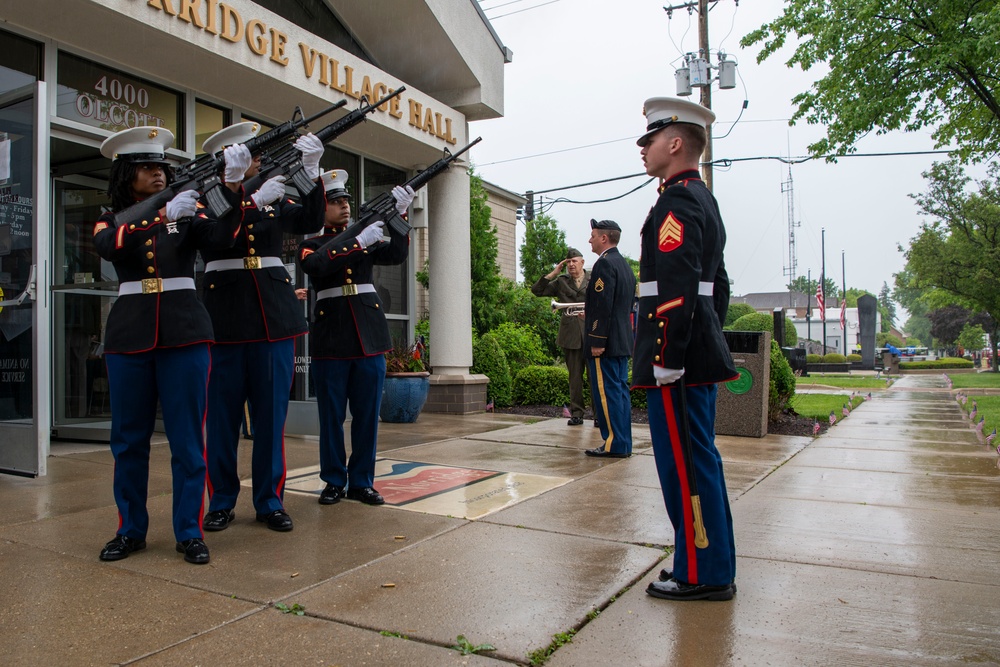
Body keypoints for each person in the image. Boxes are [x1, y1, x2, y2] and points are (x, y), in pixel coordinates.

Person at [94, 126, 248, 565]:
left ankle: (189, 530)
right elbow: (109, 245)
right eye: (146, 168)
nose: (158, 175)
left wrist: (233, 188)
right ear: (127, 175)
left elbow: (223, 239)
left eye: (162, 167)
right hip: (130, 335)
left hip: (184, 331)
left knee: (186, 440)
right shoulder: (112, 216)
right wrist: (161, 215)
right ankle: (130, 529)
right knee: (128, 441)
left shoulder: (188, 209)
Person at [632, 97, 739, 601]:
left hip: (676, 361)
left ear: (675, 143)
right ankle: (706, 563)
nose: (642, 148)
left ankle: (702, 572)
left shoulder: (678, 202)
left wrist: (669, 358)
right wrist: (702, 337)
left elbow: (676, 289)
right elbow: (717, 286)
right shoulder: (703, 198)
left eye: (649, 139)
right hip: (694, 352)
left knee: (688, 466)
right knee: (698, 460)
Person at [199, 122, 326, 534]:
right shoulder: (204, 196)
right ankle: (221, 500)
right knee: (222, 419)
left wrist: (311, 171)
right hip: (225, 316)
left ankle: (270, 500)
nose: (257, 161)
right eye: (250, 155)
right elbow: (217, 237)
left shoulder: (273, 196)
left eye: (256, 156)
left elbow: (310, 218)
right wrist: (248, 198)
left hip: (272, 316)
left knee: (271, 417)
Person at [298, 170, 413, 506]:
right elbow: (318, 266)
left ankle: (362, 481)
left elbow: (396, 255)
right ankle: (334, 480)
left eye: (346, 200)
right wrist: (357, 241)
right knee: (331, 417)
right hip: (332, 338)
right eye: (335, 202)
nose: (344, 206)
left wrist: (399, 216)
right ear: (321, 209)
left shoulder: (367, 234)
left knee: (366, 417)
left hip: (368, 336)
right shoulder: (311, 245)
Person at [583, 219, 636, 458]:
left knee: (607, 394)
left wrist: (596, 340)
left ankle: (613, 444)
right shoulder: (624, 265)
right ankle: (622, 443)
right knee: (620, 393)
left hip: (606, 343)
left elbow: (603, 306)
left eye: (593, 235)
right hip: (621, 340)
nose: (590, 240)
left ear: (604, 238)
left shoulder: (604, 265)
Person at [531, 248, 589, 425]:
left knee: (595, 378)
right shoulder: (561, 281)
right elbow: (537, 291)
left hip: (591, 333)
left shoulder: (593, 278)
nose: (571, 265)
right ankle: (577, 414)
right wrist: (552, 274)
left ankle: (599, 416)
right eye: (568, 262)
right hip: (570, 334)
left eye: (575, 261)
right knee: (575, 378)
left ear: (582, 262)